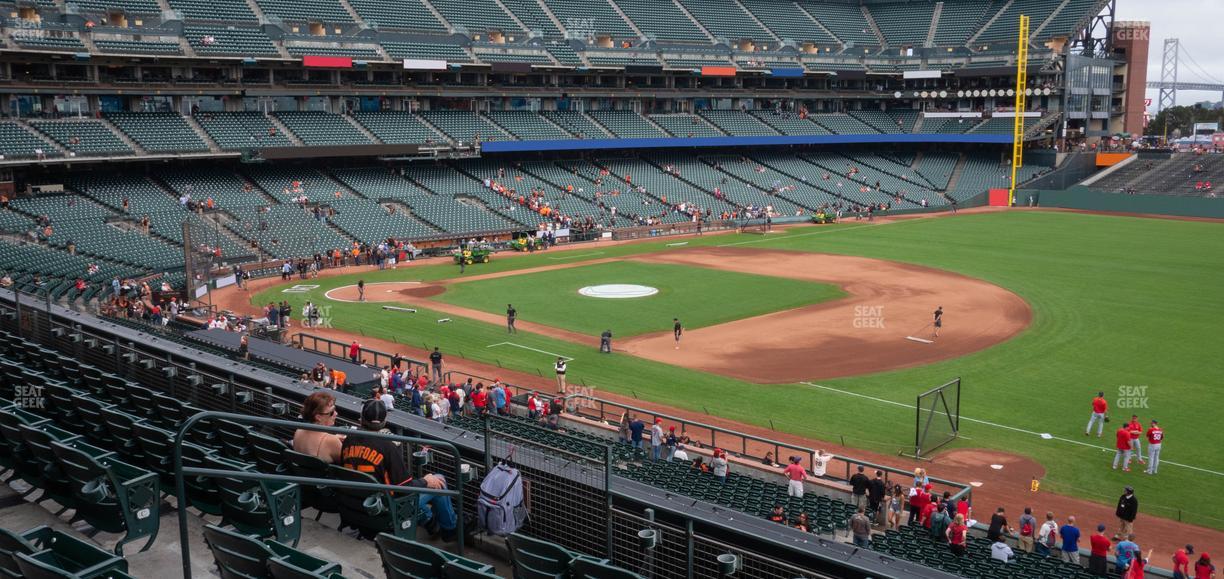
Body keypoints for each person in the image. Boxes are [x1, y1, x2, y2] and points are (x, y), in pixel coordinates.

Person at [341, 400, 457, 540]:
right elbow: (404, 488)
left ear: (361, 418)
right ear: (384, 421)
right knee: (439, 480)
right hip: (385, 509)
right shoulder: (387, 446)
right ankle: (450, 530)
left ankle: (431, 523)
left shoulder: (348, 439)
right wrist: (426, 481)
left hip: (352, 505)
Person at [292, 391, 343, 463]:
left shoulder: (299, 431)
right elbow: (348, 461)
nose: (336, 413)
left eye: (335, 409)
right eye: (331, 412)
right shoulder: (331, 441)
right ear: (318, 417)